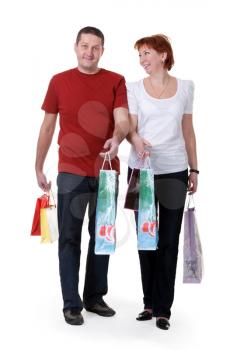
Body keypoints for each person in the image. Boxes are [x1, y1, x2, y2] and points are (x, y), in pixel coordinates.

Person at [35, 26, 129, 326]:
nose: (89, 52)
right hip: (71, 172)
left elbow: (123, 119)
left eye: (96, 47)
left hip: (106, 171)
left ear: (103, 50)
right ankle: (71, 303)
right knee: (70, 238)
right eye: (84, 45)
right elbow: (48, 126)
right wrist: (38, 166)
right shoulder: (59, 81)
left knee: (103, 237)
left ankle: (94, 297)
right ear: (75, 47)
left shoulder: (116, 81)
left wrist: (117, 139)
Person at [126, 34, 198, 330]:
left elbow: (188, 130)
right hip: (141, 171)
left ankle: (163, 309)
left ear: (163, 55)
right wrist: (136, 139)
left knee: (168, 241)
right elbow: (130, 128)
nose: (143, 60)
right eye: (140, 56)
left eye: (146, 54)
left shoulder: (185, 88)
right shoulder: (133, 89)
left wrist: (195, 169)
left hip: (174, 170)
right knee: (147, 239)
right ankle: (148, 302)